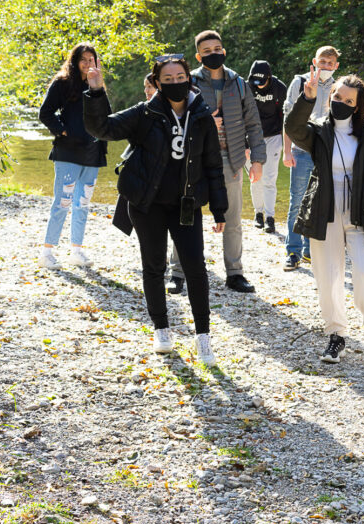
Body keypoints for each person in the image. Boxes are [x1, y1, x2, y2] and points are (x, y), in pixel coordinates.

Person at [84, 55, 227, 365]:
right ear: (157, 83)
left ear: (189, 79)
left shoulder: (201, 115)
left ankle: (203, 336)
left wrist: (219, 209)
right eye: (168, 79)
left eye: (180, 77)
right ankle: (161, 329)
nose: (175, 83)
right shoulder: (144, 113)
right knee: (153, 266)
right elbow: (102, 128)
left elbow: (213, 165)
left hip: (186, 204)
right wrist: (96, 92)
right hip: (147, 204)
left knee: (195, 267)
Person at [284, 66, 364, 367]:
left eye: (348, 101)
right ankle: (336, 336)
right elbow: (293, 128)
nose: (341, 103)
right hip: (324, 210)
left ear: (358, 107)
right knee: (327, 277)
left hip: (361, 212)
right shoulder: (318, 130)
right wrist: (307, 98)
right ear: (330, 96)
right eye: (337, 97)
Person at [167, 30, 265, 295]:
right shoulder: (187, 83)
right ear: (199, 56)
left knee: (232, 220)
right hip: (194, 160)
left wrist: (257, 160)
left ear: (224, 51)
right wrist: (205, 122)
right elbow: (175, 119)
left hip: (232, 160)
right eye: (207, 51)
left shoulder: (239, 83)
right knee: (186, 215)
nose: (213, 54)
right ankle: (176, 273)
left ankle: (235, 274)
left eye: (217, 49)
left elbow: (254, 124)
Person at [37, 43, 107, 269]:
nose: (88, 64)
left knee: (83, 203)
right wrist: (63, 130)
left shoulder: (97, 84)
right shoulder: (63, 82)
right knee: (63, 202)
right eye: (84, 60)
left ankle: (77, 251)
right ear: (75, 61)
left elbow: (106, 115)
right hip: (68, 151)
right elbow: (45, 112)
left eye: (91, 60)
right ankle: (47, 253)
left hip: (93, 152)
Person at [282, 45, 340, 271]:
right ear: (314, 62)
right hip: (300, 150)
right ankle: (293, 251)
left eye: (329, 63)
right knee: (297, 200)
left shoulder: (339, 86)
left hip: (326, 150)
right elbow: (288, 119)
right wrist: (287, 151)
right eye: (321, 62)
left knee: (320, 200)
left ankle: (310, 250)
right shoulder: (300, 83)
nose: (325, 66)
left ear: (336, 66)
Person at [247, 60, 288, 233]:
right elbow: (239, 115)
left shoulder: (279, 87)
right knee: (255, 178)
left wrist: (286, 144)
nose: (258, 86)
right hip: (250, 137)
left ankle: (270, 217)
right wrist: (243, 145)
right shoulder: (246, 87)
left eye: (262, 82)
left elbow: (286, 116)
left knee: (269, 178)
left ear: (269, 77)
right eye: (255, 81)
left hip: (273, 135)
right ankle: (258, 214)